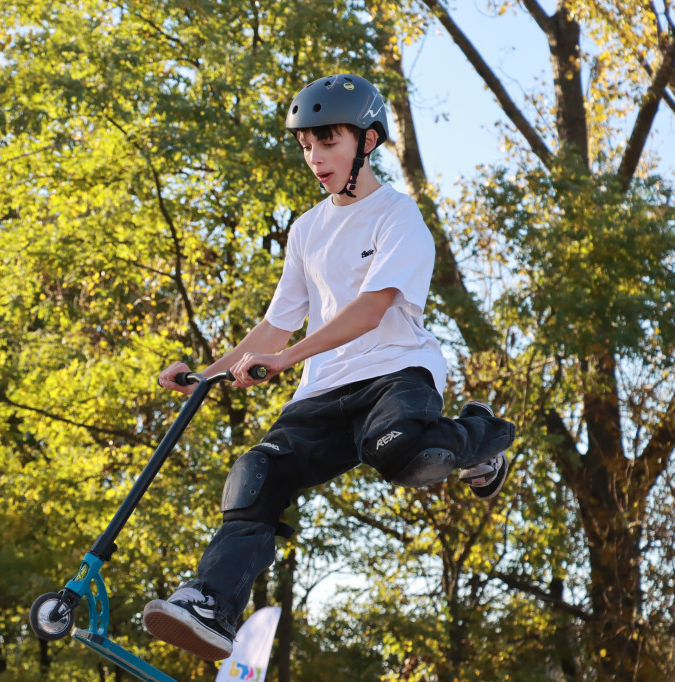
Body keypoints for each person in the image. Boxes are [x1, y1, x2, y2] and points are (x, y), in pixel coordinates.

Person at [142, 74, 516, 662]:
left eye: (329, 141)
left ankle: (481, 438)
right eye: (306, 145)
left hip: (395, 374)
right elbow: (274, 327)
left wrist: (284, 361)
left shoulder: (398, 217)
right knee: (257, 475)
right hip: (322, 394)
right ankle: (210, 605)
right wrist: (209, 375)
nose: (315, 158)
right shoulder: (306, 230)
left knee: (401, 451)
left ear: (367, 142)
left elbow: (370, 311)